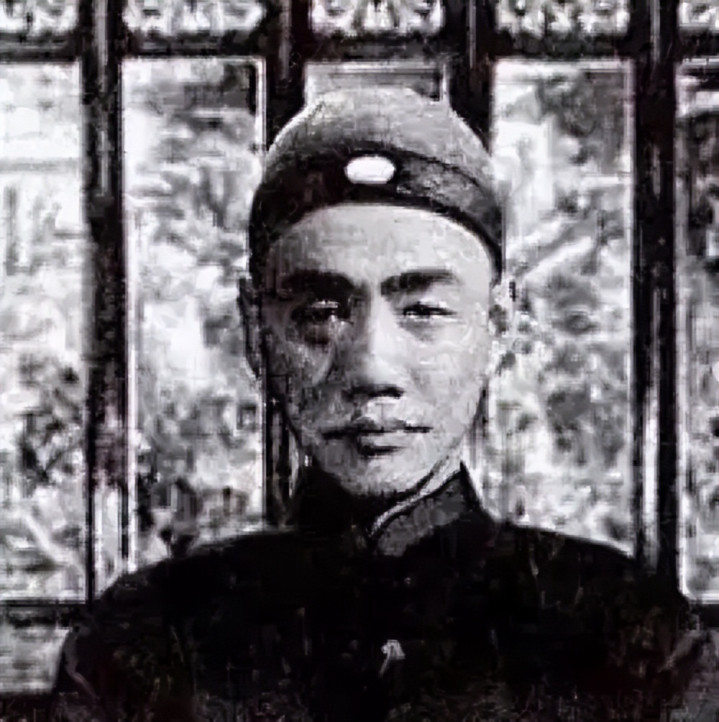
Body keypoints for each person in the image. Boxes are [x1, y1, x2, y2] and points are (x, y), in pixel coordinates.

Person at [50, 87, 710, 722]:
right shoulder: (142, 649)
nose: (371, 369)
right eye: (320, 313)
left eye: (422, 310)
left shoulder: (629, 642)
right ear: (255, 332)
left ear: (499, 326)